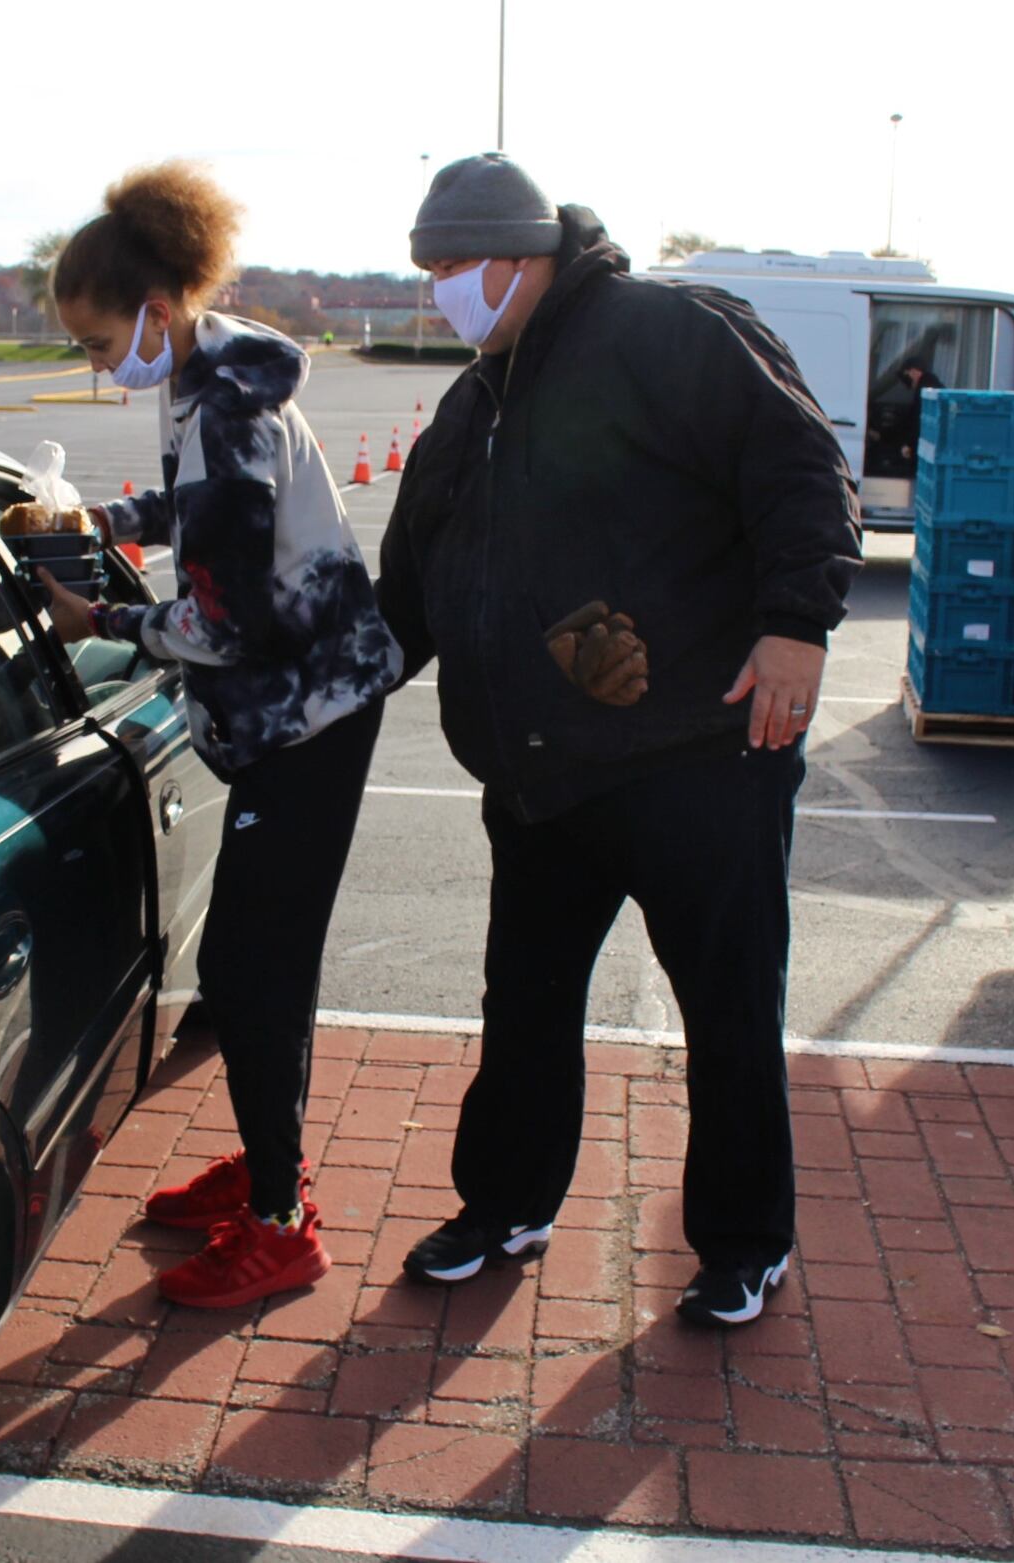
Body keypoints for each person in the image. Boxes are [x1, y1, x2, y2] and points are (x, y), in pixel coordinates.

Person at [379, 152, 862, 1327]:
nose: (439, 288)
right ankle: (507, 1203)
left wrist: (796, 627)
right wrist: (320, 679)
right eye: (428, 269)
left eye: (452, 265)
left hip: (695, 751)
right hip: (542, 775)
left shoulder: (669, 330)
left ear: (522, 253)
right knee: (525, 1004)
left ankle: (746, 1240)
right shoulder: (475, 396)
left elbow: (801, 469)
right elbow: (412, 575)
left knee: (728, 1012)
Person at [43, 162, 403, 1309]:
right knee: (258, 964)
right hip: (304, 702)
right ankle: (272, 1161)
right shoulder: (203, 379)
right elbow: (200, 511)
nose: (104, 371)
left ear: (156, 313)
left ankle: (281, 1224)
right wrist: (106, 519)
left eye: (103, 348)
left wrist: (103, 619)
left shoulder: (230, 408)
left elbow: (228, 620)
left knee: (252, 967)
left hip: (310, 713)